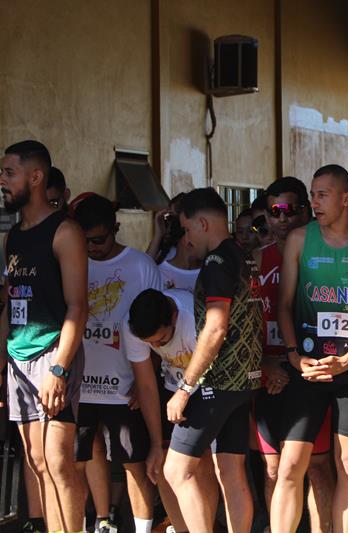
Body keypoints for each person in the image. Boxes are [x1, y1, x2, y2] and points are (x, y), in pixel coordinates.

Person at [271, 164, 348, 533]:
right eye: (312, 194)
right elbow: (285, 304)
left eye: (322, 194)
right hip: (307, 365)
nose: (315, 202)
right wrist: (294, 355)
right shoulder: (298, 239)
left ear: (346, 197)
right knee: (291, 463)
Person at [163, 187, 263, 533]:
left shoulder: (218, 262)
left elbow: (216, 327)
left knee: (175, 470)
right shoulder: (242, 254)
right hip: (243, 383)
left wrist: (185, 387)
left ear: (203, 223)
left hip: (217, 383)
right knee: (231, 472)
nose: (186, 239)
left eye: (188, 229)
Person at [0, 140, 88, 533]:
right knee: (36, 461)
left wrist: (59, 368)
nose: (2, 181)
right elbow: (10, 303)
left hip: (54, 354)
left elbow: (78, 307)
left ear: (35, 178)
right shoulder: (13, 237)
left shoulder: (65, 231)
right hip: (18, 358)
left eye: (8, 173)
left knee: (58, 460)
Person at [73, 195, 164, 533]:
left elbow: (160, 334)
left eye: (99, 239)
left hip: (125, 387)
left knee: (133, 464)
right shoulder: (72, 262)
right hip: (80, 385)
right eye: (85, 241)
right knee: (82, 458)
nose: (92, 247)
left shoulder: (141, 266)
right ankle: (98, 520)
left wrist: (147, 384)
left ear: (116, 228)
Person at [249, 179, 336, 533]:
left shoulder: (325, 254)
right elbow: (245, 324)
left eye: (289, 210)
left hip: (312, 370)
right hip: (267, 372)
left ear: (305, 210)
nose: (281, 218)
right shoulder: (255, 259)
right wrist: (265, 365)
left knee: (316, 467)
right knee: (273, 468)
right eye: (274, 211)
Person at [125, 288, 219, 533]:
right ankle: (181, 529)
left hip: (208, 386)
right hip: (171, 388)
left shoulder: (192, 319)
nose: (157, 346)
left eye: (162, 339)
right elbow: (146, 385)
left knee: (202, 463)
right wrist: (156, 444)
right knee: (163, 463)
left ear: (174, 317)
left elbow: (214, 370)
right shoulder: (133, 327)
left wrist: (185, 393)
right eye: (151, 344)